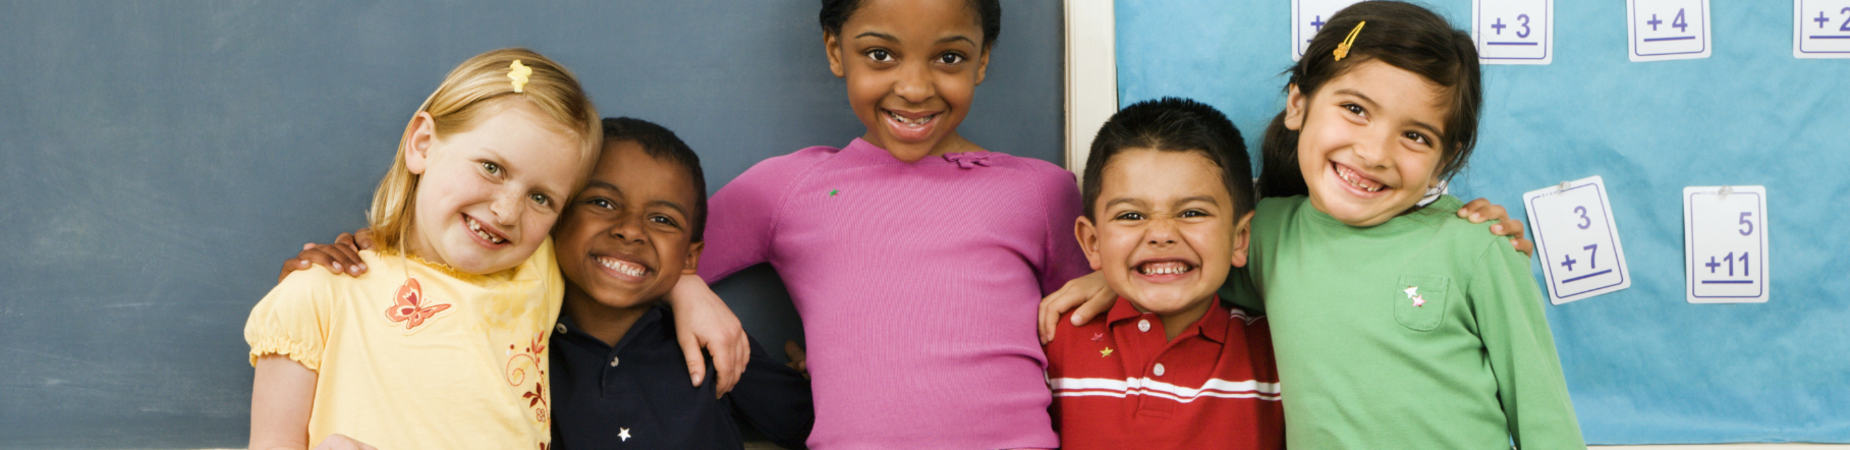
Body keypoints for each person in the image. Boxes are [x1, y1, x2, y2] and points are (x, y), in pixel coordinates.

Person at [1044, 3, 1585, 448]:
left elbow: (1544, 418)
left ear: (1447, 158)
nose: (1374, 152)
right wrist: (1110, 273)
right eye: (1355, 109)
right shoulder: (1270, 234)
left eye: (1416, 136)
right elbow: (1189, 265)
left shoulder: (1475, 246)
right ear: (1298, 103)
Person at [246, 48, 601, 450]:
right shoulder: (319, 295)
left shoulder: (538, 268)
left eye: (541, 198)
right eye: (491, 167)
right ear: (423, 143)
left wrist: (685, 284)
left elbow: (626, 258)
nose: (506, 212)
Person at [1045, 98, 1282, 449]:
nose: (1161, 233)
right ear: (1093, 242)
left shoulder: (1279, 353)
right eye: (1130, 216)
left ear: (1240, 238)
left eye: (1191, 213)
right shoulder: (1053, 342)